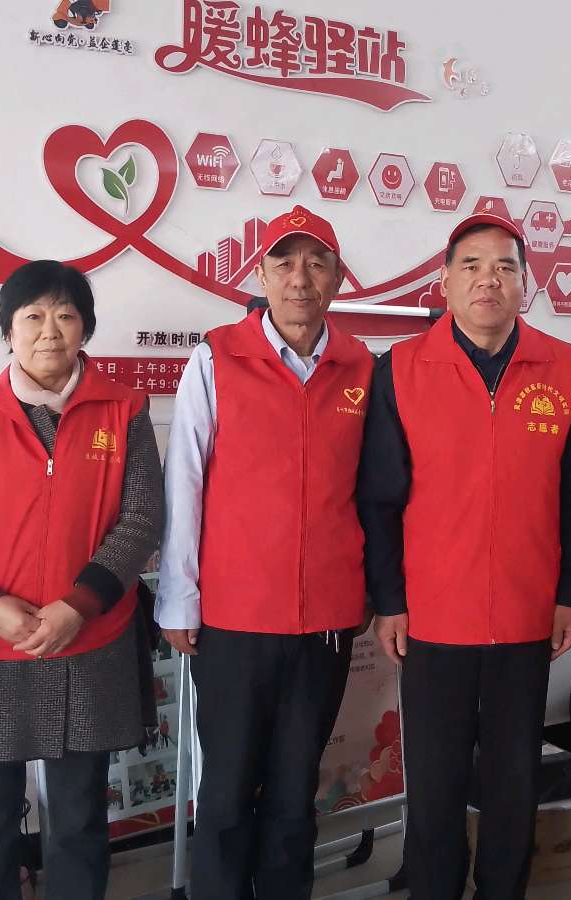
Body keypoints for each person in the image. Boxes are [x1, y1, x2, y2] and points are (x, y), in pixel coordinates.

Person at [358, 212, 571, 900]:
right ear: (443, 282)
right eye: (471, 265)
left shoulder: (563, 368)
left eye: (504, 267)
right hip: (432, 618)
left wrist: (569, 593)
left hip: (527, 615)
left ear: (525, 284)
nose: (487, 280)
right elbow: (379, 498)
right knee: (435, 785)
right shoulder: (401, 369)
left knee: (512, 781)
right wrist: (390, 600)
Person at [0, 260, 164, 900]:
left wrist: (77, 605)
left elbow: (142, 516)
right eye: (32, 316)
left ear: (86, 327)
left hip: (88, 640)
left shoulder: (125, 409)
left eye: (65, 315)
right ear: (8, 330)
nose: (49, 330)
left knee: (80, 818)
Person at [156, 205, 372, 900]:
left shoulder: (362, 367)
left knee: (293, 791)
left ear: (338, 278)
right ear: (260, 275)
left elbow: (377, 487)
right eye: (284, 263)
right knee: (225, 793)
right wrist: (179, 597)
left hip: (326, 620)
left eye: (316, 264)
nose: (299, 279)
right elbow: (184, 479)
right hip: (234, 618)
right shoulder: (217, 358)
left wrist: (372, 590)